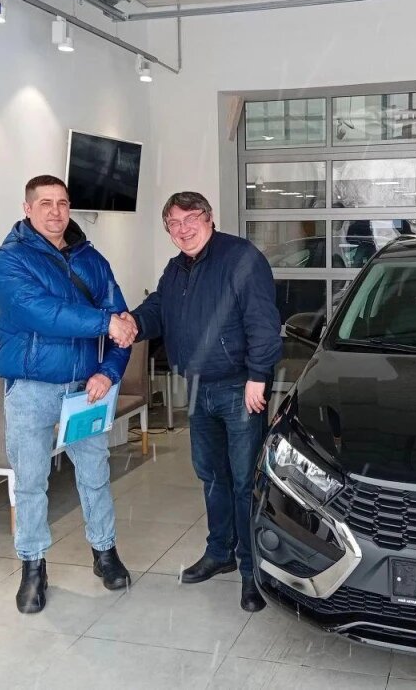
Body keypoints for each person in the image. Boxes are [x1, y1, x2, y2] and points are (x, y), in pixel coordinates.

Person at [117, 191, 282, 612]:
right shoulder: (176, 269)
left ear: (209, 218)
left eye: (191, 218)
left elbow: (263, 322)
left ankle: (251, 571)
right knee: (211, 475)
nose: (183, 229)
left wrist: (258, 375)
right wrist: (131, 322)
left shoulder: (240, 258)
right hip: (197, 388)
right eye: (174, 223)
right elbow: (158, 310)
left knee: (244, 481)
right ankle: (220, 551)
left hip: (239, 388)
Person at [0, 175, 138, 614]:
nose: (56, 211)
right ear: (27, 208)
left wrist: (108, 372)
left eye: (63, 203)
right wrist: (104, 323)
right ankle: (33, 567)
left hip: (85, 390)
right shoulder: (8, 260)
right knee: (31, 482)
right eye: (45, 203)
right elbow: (40, 313)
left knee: (95, 473)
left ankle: (104, 552)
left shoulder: (93, 260)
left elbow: (123, 325)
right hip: (30, 390)